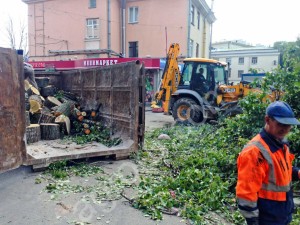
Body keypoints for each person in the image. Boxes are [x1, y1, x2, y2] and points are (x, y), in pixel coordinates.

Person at [236, 101, 300, 225]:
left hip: (281, 214)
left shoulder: (280, 144)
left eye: (288, 125)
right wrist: (253, 221)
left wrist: (297, 172)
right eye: (281, 124)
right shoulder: (255, 152)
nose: (285, 129)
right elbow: (246, 194)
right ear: (267, 120)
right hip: (267, 218)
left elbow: (279, 172)